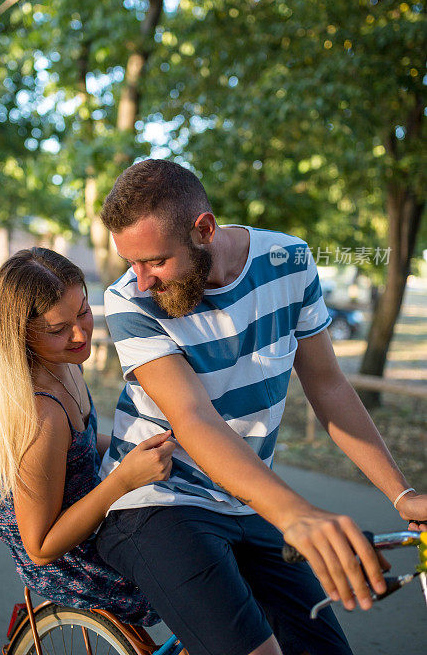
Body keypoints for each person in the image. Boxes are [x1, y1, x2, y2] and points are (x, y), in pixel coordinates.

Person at [95, 159, 427, 655]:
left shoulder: (289, 260)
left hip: (249, 499)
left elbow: (328, 386)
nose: (142, 281)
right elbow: (194, 419)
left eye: (156, 262)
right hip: (156, 503)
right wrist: (297, 515)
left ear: (203, 229)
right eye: (133, 263)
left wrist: (401, 496)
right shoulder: (130, 303)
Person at [0, 247, 174, 625]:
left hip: (94, 521)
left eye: (83, 311)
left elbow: (78, 449)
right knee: (202, 584)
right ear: (22, 333)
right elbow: (40, 547)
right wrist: (124, 478)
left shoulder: (64, 364)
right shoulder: (40, 415)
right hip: (72, 562)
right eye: (57, 329)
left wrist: (144, 445)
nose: (80, 334)